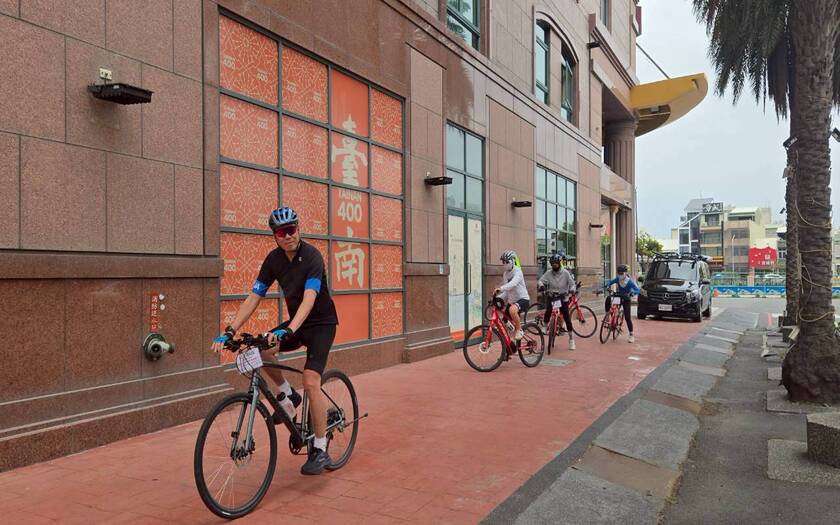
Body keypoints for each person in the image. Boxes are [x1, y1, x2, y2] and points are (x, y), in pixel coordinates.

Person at [210, 207, 339, 475]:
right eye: (282, 232)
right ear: (275, 236)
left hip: (321, 325)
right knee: (259, 349)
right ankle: (287, 395)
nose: (288, 235)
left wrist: (289, 329)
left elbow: (310, 298)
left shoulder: (312, 256)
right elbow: (255, 296)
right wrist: (230, 330)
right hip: (295, 325)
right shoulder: (273, 260)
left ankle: (320, 447)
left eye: (291, 229)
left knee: (311, 381)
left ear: (298, 229)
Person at [538, 253, 576, 350]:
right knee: (548, 310)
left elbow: (572, 284)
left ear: (559, 263)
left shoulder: (566, 273)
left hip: (563, 297)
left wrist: (572, 290)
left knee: (567, 318)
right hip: (552, 296)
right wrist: (541, 286)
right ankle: (545, 326)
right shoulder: (549, 273)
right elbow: (540, 280)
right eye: (553, 264)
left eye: (556, 263)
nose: (554, 265)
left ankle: (571, 339)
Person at [493, 250, 529, 341]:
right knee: (505, 320)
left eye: (507, 262)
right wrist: (497, 298)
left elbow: (513, 284)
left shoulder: (518, 272)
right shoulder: (505, 274)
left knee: (512, 310)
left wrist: (500, 288)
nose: (505, 264)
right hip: (512, 301)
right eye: (503, 262)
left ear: (513, 261)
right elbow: (507, 291)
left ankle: (519, 329)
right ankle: (514, 337)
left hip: (523, 299)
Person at [604, 264, 640, 343]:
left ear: (625, 273)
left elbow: (638, 290)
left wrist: (633, 293)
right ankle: (608, 316)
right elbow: (611, 281)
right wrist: (607, 285)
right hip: (619, 296)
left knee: (627, 317)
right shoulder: (618, 279)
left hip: (626, 299)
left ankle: (631, 335)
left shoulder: (630, 282)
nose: (620, 275)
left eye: (621, 273)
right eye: (619, 273)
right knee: (608, 299)